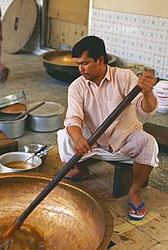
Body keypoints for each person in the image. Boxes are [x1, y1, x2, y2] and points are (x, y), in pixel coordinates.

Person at [57, 36, 159, 221]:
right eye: (78, 64)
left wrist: (147, 92)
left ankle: (135, 191)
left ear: (101, 60)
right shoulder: (77, 87)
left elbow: (146, 109)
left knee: (149, 143)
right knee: (66, 136)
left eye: (85, 63)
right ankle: (80, 170)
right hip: (94, 143)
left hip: (124, 140)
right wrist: (79, 139)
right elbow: (73, 118)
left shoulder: (124, 77)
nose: (81, 69)